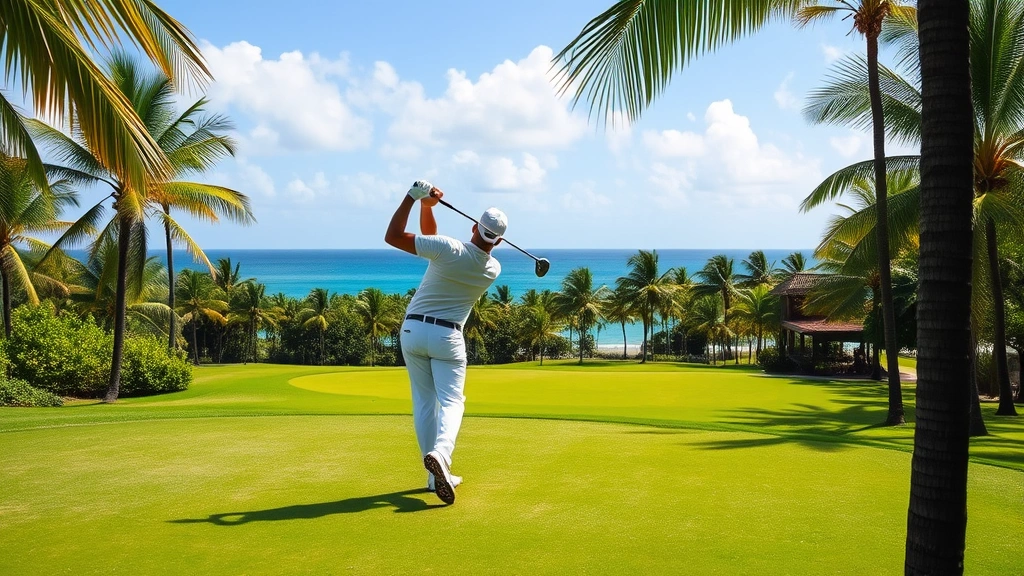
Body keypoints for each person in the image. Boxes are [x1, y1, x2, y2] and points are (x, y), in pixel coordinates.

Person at [384, 180, 506, 505]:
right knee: (453, 402)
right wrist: (427, 208)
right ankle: (441, 456)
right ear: (500, 240)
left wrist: (414, 198)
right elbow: (435, 240)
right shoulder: (493, 268)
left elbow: (393, 236)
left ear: (473, 227)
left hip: (412, 331)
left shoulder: (448, 248)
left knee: (425, 403)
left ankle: (432, 476)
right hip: (447, 337)